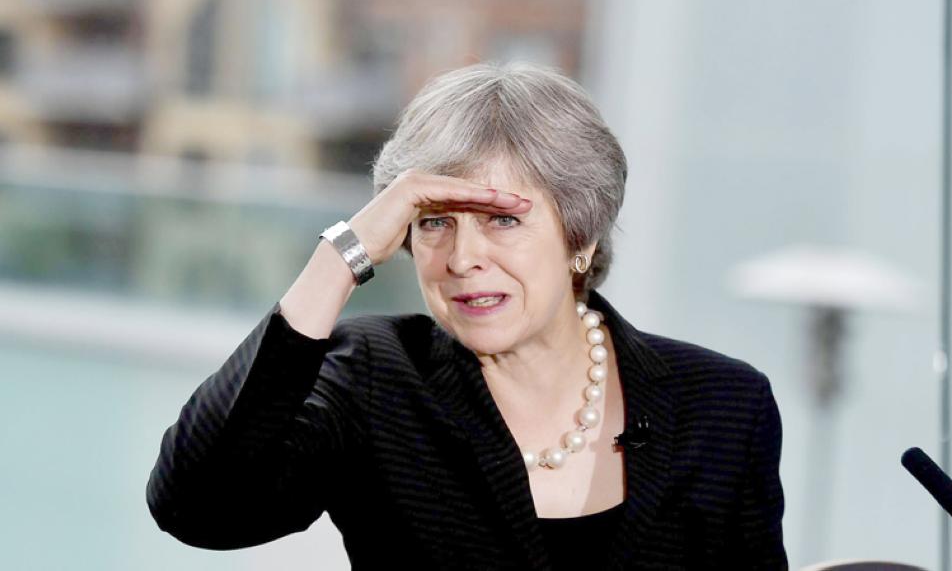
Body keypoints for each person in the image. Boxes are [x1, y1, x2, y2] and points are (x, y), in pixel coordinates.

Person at [146, 61, 787, 570]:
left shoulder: (725, 406)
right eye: (434, 222)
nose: (462, 258)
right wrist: (340, 257)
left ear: (582, 237)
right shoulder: (375, 378)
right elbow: (196, 506)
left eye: (502, 219)